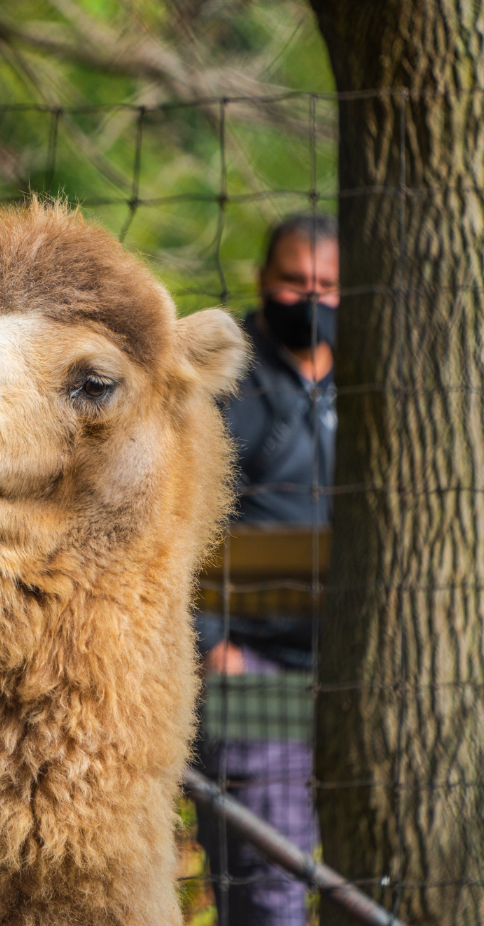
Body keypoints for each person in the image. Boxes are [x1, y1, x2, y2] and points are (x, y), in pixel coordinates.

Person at [196, 213, 338, 926]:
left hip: (355, 672)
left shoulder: (372, 382)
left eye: (325, 286)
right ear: (262, 280)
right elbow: (180, 522)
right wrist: (212, 646)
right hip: (252, 667)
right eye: (293, 281)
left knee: (362, 867)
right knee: (267, 881)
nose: (309, 298)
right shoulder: (230, 387)